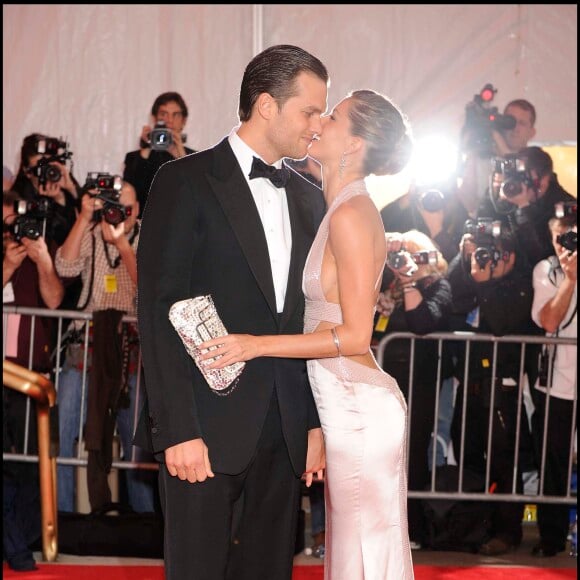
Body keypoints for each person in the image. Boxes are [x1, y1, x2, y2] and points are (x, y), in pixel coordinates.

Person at [199, 89, 415, 579]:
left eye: (333, 116)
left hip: (360, 407)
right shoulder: (336, 208)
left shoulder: (352, 214)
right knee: (349, 557)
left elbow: (357, 335)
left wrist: (255, 345)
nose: (319, 120)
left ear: (355, 144)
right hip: (340, 406)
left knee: (365, 559)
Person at [134, 45, 329, 580]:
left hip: (285, 431)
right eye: (309, 111)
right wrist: (176, 430)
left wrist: (313, 424)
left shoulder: (311, 198)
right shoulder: (185, 181)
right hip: (204, 428)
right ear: (267, 105)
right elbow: (158, 309)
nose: (319, 124)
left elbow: (308, 320)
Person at [54, 180, 155, 514]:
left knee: (133, 443)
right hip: (85, 344)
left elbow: (152, 288)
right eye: (114, 206)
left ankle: (141, 523)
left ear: (137, 210)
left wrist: (123, 244)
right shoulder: (93, 231)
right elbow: (65, 266)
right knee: (66, 434)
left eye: (126, 209)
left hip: (130, 351)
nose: (118, 214)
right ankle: (64, 519)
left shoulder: (149, 235)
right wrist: (84, 218)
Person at [373, 229, 453, 549]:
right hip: (388, 382)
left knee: (413, 454)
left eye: (411, 255)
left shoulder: (438, 287)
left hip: (420, 381)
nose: (405, 261)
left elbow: (421, 324)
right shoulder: (392, 287)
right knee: (386, 455)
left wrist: (408, 283)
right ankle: (387, 525)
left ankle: (412, 529)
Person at [3, 189, 65, 571]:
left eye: (16, 222)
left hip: (31, 376)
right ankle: (16, 549)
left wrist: (43, 261)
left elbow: (56, 300)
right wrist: (7, 268)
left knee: (28, 466)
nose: (14, 232)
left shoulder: (43, 248)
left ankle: (19, 540)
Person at [530, 210, 577, 557]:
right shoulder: (546, 270)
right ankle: (551, 538)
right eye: (563, 238)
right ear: (552, 239)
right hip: (557, 382)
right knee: (554, 462)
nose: (569, 245)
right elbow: (548, 321)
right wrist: (571, 279)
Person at [123, 91, 196, 217]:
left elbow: (197, 194)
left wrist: (181, 153)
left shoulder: (194, 158)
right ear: (154, 118)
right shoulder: (136, 157)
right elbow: (132, 195)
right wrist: (146, 147)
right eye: (164, 114)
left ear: (184, 121)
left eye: (176, 115)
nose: (169, 120)